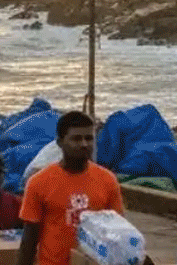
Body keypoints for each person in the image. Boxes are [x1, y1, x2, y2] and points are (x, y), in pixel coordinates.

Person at [16, 111, 124, 265]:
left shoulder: (108, 180)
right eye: (76, 139)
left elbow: (117, 231)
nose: (84, 144)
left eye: (89, 138)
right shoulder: (38, 182)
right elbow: (29, 240)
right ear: (60, 142)